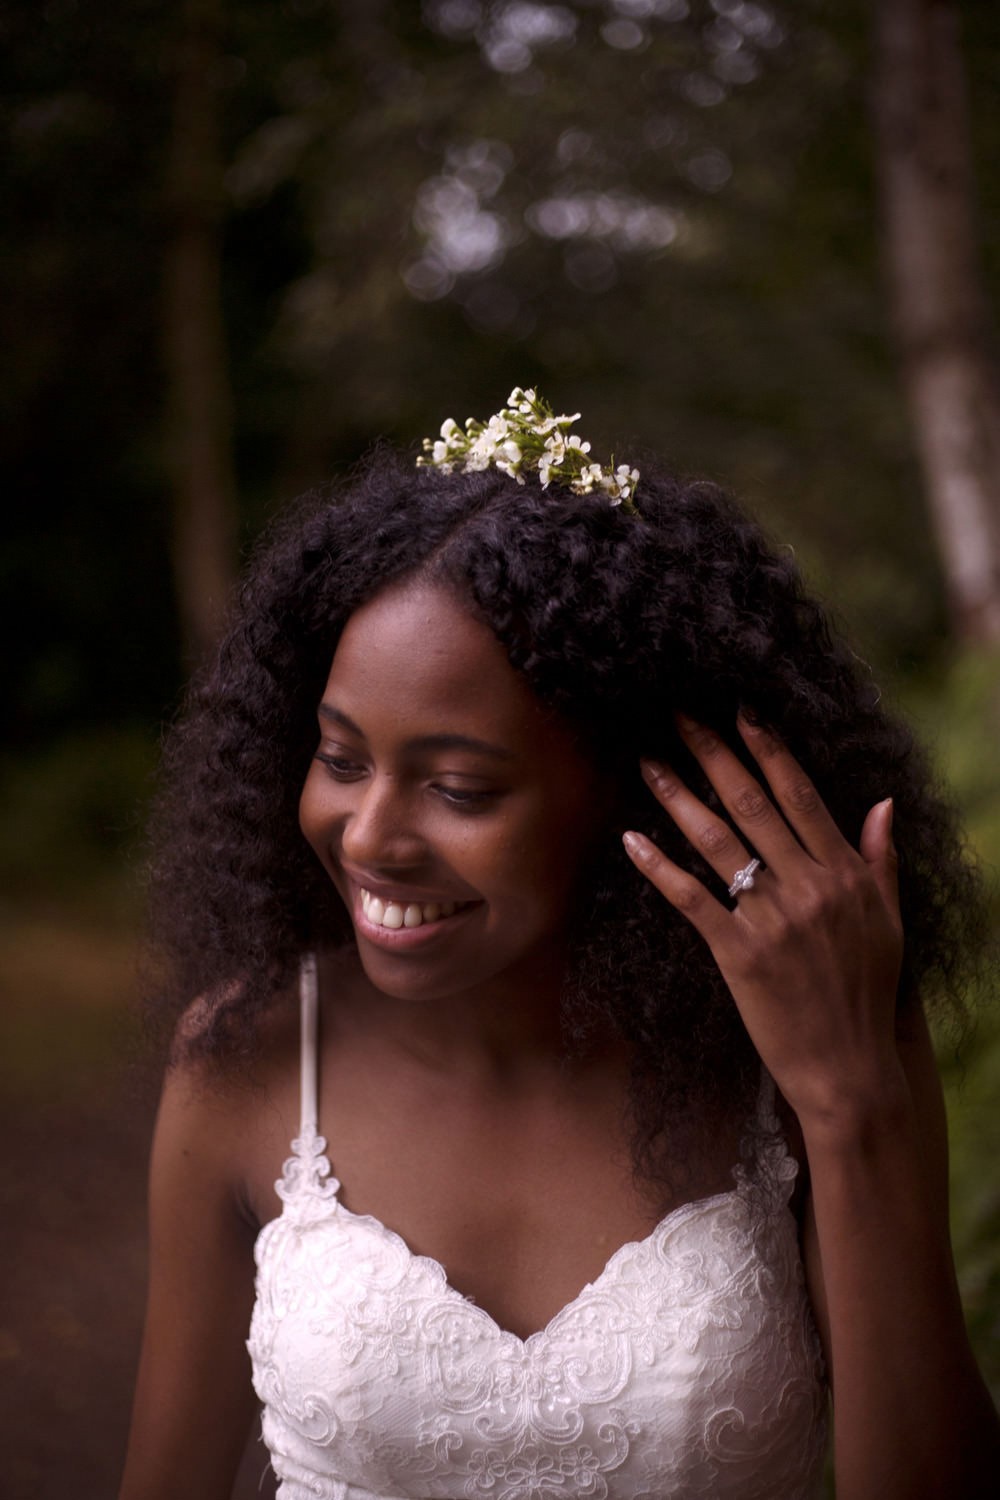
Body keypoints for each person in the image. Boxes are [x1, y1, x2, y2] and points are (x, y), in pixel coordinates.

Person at [120, 390, 999, 1500]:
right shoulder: (246, 1055)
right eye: (340, 759)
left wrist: (848, 1107)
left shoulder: (817, 1045)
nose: (372, 837)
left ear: (625, 792)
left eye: (458, 787)